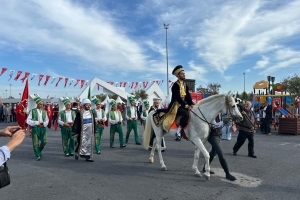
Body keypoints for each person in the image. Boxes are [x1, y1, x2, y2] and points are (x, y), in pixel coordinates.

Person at [203, 113, 236, 181]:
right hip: (212, 136)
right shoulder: (212, 114)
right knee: (220, 154)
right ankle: (227, 173)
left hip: (217, 135)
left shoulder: (219, 114)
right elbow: (213, 125)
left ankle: (205, 167)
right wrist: (224, 121)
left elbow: (219, 125)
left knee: (213, 153)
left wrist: (225, 121)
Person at [166, 65, 193, 141]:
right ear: (178, 75)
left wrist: (191, 104)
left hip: (183, 104)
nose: (184, 75)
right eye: (182, 74)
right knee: (185, 114)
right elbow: (177, 98)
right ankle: (178, 131)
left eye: (184, 73)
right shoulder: (175, 85)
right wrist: (186, 105)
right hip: (176, 105)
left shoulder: (185, 85)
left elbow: (188, 95)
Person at [26, 94, 49, 161]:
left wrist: (44, 124)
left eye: (42, 104)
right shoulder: (32, 111)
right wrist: (36, 123)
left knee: (44, 141)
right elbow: (28, 120)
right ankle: (37, 155)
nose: (41, 105)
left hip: (43, 128)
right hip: (35, 128)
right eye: (40, 104)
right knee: (35, 142)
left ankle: (38, 150)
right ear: (37, 104)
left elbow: (47, 120)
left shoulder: (45, 111)